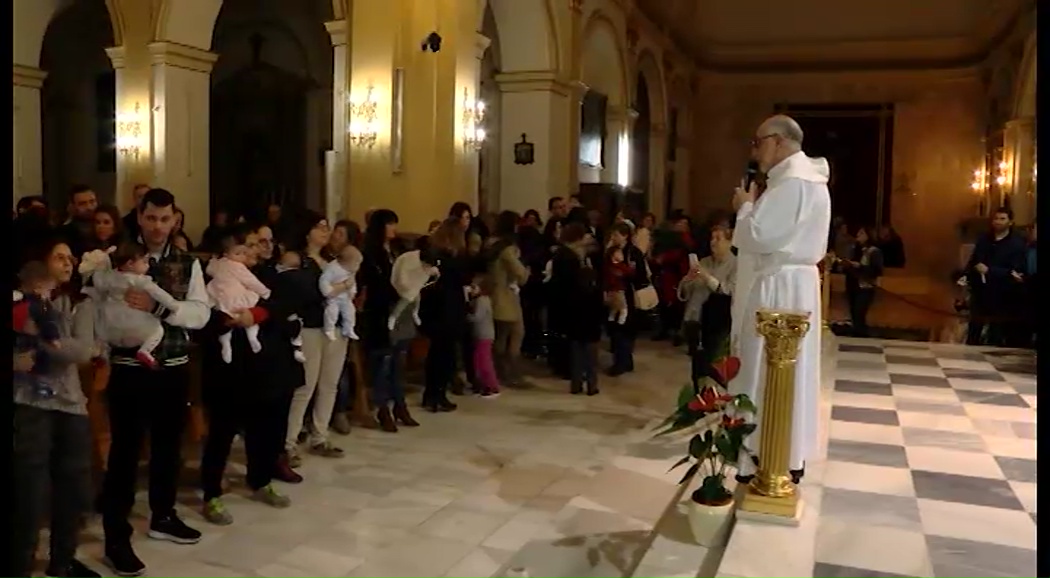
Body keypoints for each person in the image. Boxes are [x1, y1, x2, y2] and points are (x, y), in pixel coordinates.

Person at [99, 188, 212, 577]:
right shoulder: (118, 256)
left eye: (165, 219)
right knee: (125, 454)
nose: (158, 227)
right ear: (140, 217)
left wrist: (161, 308)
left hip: (173, 365)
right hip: (129, 367)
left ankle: (163, 515)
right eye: (151, 218)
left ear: (175, 219)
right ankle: (116, 537)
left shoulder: (187, 262)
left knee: (168, 447)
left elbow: (200, 315)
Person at [729, 115, 831, 486]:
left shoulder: (792, 183)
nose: (755, 152)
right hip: (793, 283)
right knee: (791, 369)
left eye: (758, 143)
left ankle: (766, 454)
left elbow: (759, 235)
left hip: (778, 286)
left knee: (765, 367)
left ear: (778, 141)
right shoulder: (805, 180)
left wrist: (744, 205)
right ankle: (788, 453)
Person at [13, 237, 102, 578]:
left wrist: (42, 342)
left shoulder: (81, 303)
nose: (67, 263)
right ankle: (20, 563)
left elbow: (81, 351)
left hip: (70, 404)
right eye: (59, 257)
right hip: (28, 401)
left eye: (71, 258)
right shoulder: (22, 301)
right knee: (28, 491)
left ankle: (62, 561)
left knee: (73, 487)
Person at [198, 224, 298, 526]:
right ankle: (211, 493)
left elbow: (281, 306)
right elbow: (202, 313)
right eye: (250, 244)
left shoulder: (266, 275)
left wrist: (255, 315)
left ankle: (260, 478)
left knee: (261, 426)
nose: (257, 249)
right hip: (226, 365)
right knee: (222, 430)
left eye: (256, 245)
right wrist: (227, 319)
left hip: (261, 363)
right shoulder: (212, 275)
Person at [357, 209, 420, 431]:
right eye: (390, 224)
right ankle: (383, 408)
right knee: (382, 363)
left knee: (397, 363)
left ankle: (400, 405)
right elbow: (372, 283)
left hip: (400, 309)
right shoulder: (371, 254)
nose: (394, 228)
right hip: (379, 311)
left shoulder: (397, 249)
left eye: (395, 223)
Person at [79, 243, 184, 368]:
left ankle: (102, 352)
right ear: (130, 264)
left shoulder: (109, 276)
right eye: (144, 262)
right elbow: (159, 294)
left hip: (110, 323)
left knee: (101, 331)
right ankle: (145, 351)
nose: (148, 265)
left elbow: (97, 281)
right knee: (157, 329)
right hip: (134, 323)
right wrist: (173, 305)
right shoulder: (139, 280)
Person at [418, 218, 472, 412]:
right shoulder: (452, 258)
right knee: (444, 353)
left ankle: (432, 394)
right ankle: (437, 394)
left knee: (437, 352)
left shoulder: (434, 255)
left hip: (436, 308)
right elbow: (463, 278)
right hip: (448, 308)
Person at [549, 222, 604, 395]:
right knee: (590, 355)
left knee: (577, 351)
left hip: (573, 313)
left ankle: (576, 384)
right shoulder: (570, 258)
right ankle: (591, 385)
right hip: (583, 314)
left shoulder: (563, 255)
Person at [964, 208, 1027, 347]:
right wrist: (968, 274)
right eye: (996, 218)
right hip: (980, 288)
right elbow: (974, 259)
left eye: (1002, 219)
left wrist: (990, 271)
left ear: (1010, 222)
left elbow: (1016, 270)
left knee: (996, 329)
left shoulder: (1016, 244)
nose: (998, 222)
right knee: (975, 326)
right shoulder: (984, 239)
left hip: (1002, 291)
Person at [206, 237, 274, 363]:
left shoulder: (267, 272)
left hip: (257, 355)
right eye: (250, 245)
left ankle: (247, 338)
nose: (247, 253)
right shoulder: (232, 266)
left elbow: (277, 305)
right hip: (225, 308)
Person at [680, 226, 737, 362]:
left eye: (718, 238)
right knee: (696, 361)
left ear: (730, 242)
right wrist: (687, 279)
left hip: (719, 321)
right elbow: (685, 292)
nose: (713, 242)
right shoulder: (704, 261)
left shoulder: (736, 264)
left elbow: (728, 290)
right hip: (694, 318)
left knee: (713, 358)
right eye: (712, 238)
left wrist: (706, 277)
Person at [841, 227, 884, 338]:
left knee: (859, 311)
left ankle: (861, 334)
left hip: (866, 286)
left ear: (868, 235)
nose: (858, 236)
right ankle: (856, 332)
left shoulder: (874, 252)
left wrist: (860, 266)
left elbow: (877, 270)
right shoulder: (856, 249)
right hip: (853, 284)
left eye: (861, 233)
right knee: (854, 312)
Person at [389, 248, 441, 329]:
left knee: (417, 300)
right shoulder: (409, 260)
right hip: (406, 285)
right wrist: (408, 287)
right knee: (404, 302)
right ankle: (393, 317)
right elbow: (402, 276)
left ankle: (415, 312)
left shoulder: (428, 261)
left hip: (415, 286)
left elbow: (430, 269)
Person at [320, 244, 363, 341]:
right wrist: (327, 291)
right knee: (332, 312)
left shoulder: (350, 271)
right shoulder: (332, 269)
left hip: (345, 297)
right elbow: (324, 281)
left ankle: (348, 328)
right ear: (345, 262)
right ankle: (329, 329)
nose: (358, 267)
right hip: (333, 298)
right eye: (356, 264)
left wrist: (353, 291)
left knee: (350, 312)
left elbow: (352, 283)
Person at [468, 275, 501, 397]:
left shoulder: (482, 300)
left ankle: (492, 387)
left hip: (484, 335)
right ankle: (485, 385)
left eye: (474, 287)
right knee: (479, 361)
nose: (471, 289)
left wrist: (465, 317)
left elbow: (477, 317)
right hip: (482, 335)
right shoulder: (482, 299)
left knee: (484, 362)